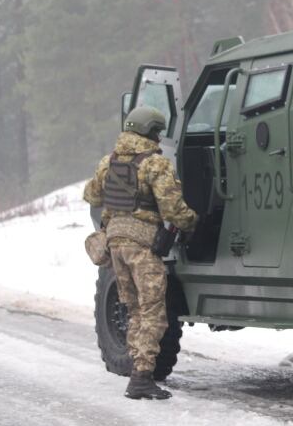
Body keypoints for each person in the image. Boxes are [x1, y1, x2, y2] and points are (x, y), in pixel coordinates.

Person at [84, 106, 198, 400]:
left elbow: (92, 195)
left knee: (134, 311)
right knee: (152, 314)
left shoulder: (107, 162)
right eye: (158, 131)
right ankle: (141, 379)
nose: (160, 137)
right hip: (142, 248)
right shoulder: (154, 164)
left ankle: (138, 372)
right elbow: (173, 208)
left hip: (116, 246)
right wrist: (192, 222)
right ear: (151, 132)